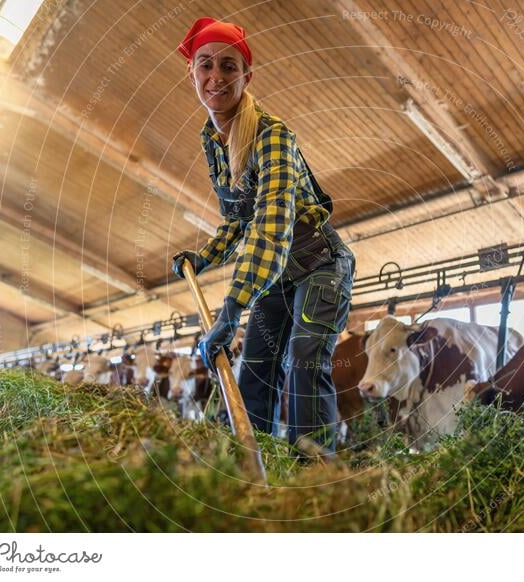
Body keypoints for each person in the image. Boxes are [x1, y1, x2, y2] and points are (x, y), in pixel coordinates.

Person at [171, 17, 355, 454]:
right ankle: (251, 466)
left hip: (319, 265)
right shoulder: (213, 140)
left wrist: (232, 308)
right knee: (254, 369)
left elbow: (271, 226)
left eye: (229, 67)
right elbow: (237, 218)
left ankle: (313, 476)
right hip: (277, 278)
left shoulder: (273, 136)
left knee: (305, 359)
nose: (216, 77)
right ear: (192, 72)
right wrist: (205, 257)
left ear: (246, 76)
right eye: (205, 65)